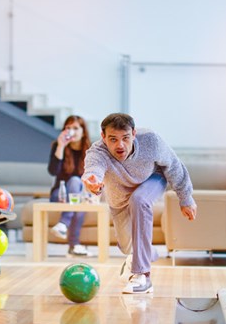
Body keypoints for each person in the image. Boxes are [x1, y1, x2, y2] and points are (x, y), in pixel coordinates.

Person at [82, 113, 196, 294]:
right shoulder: (98, 152)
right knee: (127, 246)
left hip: (152, 179)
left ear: (133, 133)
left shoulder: (151, 141)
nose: (120, 145)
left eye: (125, 138)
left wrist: (186, 199)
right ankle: (145, 254)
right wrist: (92, 181)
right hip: (119, 200)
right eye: (113, 139)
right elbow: (93, 170)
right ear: (103, 137)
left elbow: (174, 166)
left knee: (139, 200)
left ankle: (142, 275)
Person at [47, 115, 93, 257]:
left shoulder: (91, 150)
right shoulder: (58, 146)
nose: (71, 131)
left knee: (76, 187)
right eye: (68, 128)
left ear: (83, 131)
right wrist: (61, 146)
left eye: (75, 128)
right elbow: (53, 171)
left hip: (80, 194)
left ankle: (66, 230)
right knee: (74, 182)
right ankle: (73, 242)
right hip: (59, 194)